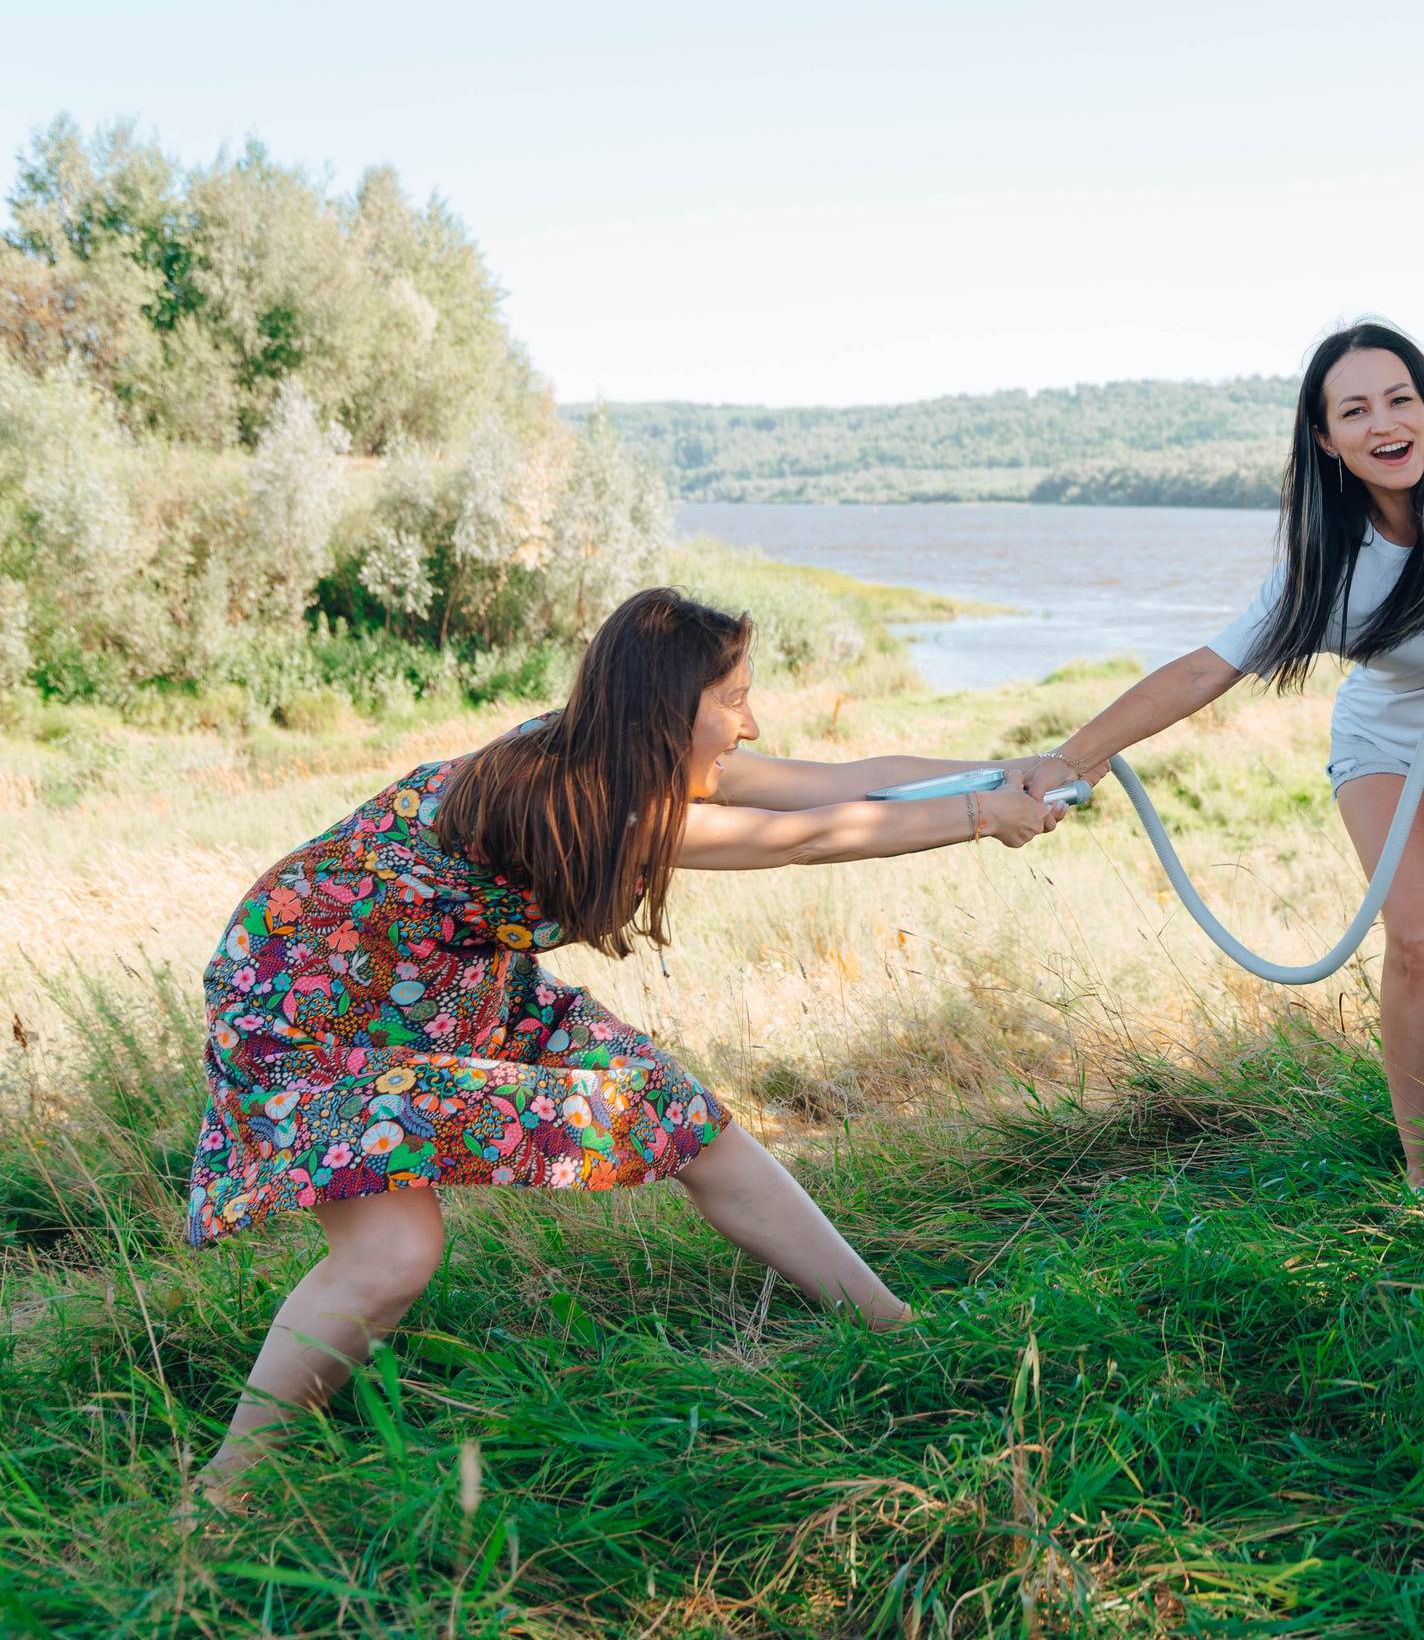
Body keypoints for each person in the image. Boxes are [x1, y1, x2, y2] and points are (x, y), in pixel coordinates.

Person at [188, 587, 1064, 1503]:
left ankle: (892, 1327)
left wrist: (1006, 772)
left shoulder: (619, 750)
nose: (751, 723)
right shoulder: (578, 797)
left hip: (451, 983)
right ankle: (220, 1496)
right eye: (732, 701)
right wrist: (979, 817)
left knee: (686, 1118)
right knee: (393, 1254)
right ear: (666, 706)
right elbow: (804, 838)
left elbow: (834, 782)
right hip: (311, 1007)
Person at [1024, 322, 1424, 1188]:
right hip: (1385, 744)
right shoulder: (1324, 562)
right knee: (1414, 940)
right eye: (1355, 409)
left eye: (1401, 398)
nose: (1384, 422)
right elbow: (1208, 667)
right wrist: (1075, 756)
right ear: (1326, 439)